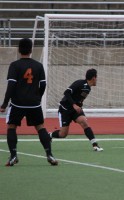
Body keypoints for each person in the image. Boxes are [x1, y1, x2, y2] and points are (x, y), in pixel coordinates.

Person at [0, 38, 58, 166]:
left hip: (17, 103)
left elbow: (11, 85)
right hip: (34, 103)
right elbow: (43, 84)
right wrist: (38, 96)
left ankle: (13, 155)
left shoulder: (15, 65)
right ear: (31, 50)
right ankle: (49, 154)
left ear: (19, 49)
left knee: (11, 127)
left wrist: (4, 103)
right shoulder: (38, 65)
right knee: (40, 127)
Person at [49, 68, 103, 152]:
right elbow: (66, 92)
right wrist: (74, 105)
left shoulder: (88, 88)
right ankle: (49, 135)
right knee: (63, 134)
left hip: (75, 110)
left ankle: (95, 145)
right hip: (65, 110)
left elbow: (78, 98)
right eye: (96, 77)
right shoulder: (79, 83)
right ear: (93, 78)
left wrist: (79, 106)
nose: (97, 79)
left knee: (84, 122)